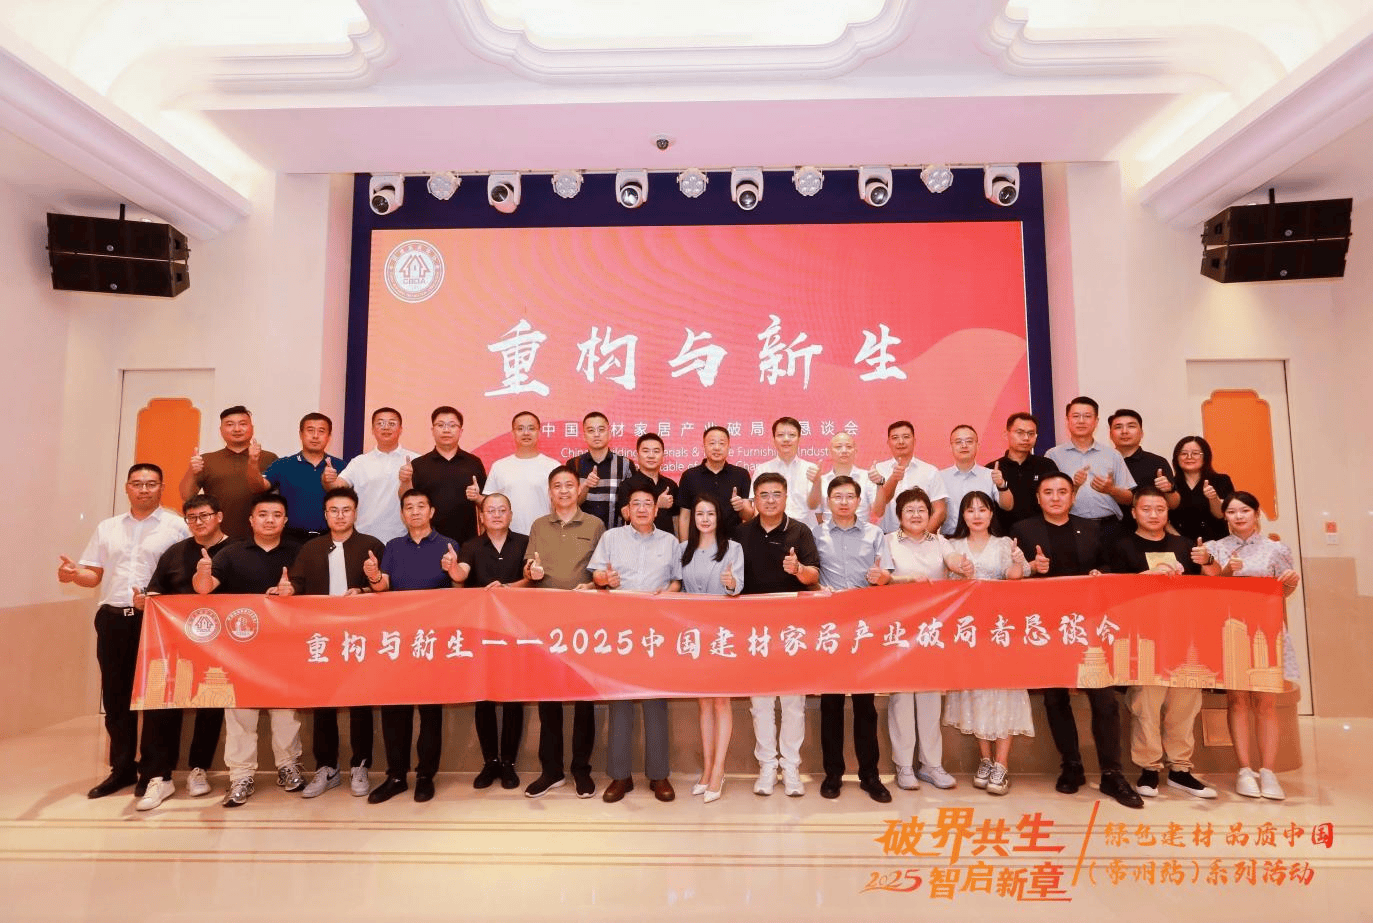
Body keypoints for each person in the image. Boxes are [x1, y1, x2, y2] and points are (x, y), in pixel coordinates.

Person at [57, 463, 189, 803]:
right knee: (116, 698)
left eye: (151, 484)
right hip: (113, 618)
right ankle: (122, 768)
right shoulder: (108, 527)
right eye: (137, 483)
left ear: (162, 488)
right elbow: (94, 575)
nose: (144, 489)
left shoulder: (176, 526)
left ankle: (155, 770)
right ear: (127, 487)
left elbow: (185, 576)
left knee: (158, 697)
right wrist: (74, 575)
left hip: (157, 621)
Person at [1012, 472, 1143, 809]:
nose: (1055, 497)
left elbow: (1108, 566)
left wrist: (1101, 574)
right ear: (1038, 498)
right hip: (1048, 628)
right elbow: (1011, 578)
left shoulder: (1093, 528)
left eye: (1062, 492)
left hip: (1089, 626)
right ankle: (1071, 765)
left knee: (1104, 699)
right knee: (1055, 698)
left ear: (1073, 496)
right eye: (1048, 492)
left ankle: (1112, 773)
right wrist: (1031, 567)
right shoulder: (1024, 530)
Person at [192, 494, 305, 808]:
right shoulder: (230, 553)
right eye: (263, 514)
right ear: (251, 520)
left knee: (286, 712)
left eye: (277, 515)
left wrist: (292, 590)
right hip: (240, 651)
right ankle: (241, 776)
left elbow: (311, 589)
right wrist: (203, 572)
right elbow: (204, 588)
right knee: (240, 714)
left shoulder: (299, 551)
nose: (270, 520)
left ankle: (289, 766)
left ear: (285, 520)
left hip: (285, 646)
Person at [1192, 490, 1302, 800]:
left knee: (1266, 703)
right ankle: (1244, 769)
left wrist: (1290, 585)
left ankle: (1268, 771)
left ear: (1256, 513)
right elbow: (1208, 591)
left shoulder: (1276, 549)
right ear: (1224, 516)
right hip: (1231, 631)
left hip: (1266, 631)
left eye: (1244, 510)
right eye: (1231, 512)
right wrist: (1224, 570)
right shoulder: (1215, 548)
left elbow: (1281, 594)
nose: (1238, 516)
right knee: (1237, 701)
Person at [1109, 487, 1216, 799]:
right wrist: (1145, 577)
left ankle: (1181, 769)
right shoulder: (1120, 546)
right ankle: (1149, 768)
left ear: (1168, 513)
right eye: (1146, 509)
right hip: (1143, 639)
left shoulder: (1185, 545)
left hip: (1184, 637)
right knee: (1146, 704)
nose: (1154, 514)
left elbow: (1212, 584)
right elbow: (1112, 592)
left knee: (1184, 705)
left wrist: (1208, 560)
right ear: (1134, 513)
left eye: (1160, 509)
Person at [287, 486, 386, 799]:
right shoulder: (311, 548)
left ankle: (361, 765)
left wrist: (365, 590)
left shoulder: (372, 545)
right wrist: (287, 590)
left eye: (346, 510)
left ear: (355, 513)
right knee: (323, 702)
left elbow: (386, 587)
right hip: (322, 637)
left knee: (360, 702)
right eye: (334, 510)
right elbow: (296, 585)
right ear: (325, 514)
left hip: (360, 637)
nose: (340, 516)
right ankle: (326, 767)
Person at [364, 489, 461, 804]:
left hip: (432, 641)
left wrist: (454, 572)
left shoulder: (449, 545)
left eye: (421, 506)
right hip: (398, 640)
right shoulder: (393, 546)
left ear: (431, 511)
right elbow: (383, 586)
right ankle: (395, 776)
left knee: (430, 713)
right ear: (402, 514)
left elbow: (459, 587)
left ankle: (425, 776)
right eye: (409, 507)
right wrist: (374, 577)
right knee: (394, 711)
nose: (415, 511)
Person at [133, 494, 230, 808]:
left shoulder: (236, 550)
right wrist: (144, 601)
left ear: (219, 516)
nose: (198, 522)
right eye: (192, 518)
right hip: (174, 646)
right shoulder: (174, 552)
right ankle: (158, 776)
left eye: (205, 515)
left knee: (211, 704)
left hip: (222, 648)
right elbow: (156, 592)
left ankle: (199, 769)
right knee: (162, 703)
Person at [591, 486, 680, 804]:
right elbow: (597, 575)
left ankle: (659, 774)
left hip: (656, 631)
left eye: (648, 504)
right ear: (627, 510)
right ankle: (619, 776)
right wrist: (605, 580)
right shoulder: (611, 537)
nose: (642, 509)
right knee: (620, 702)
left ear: (657, 510)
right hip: (620, 629)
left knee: (656, 702)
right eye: (636, 504)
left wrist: (667, 593)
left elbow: (677, 581)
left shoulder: (670, 542)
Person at [522, 466, 606, 798]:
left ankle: (581, 770)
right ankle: (551, 771)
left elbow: (602, 571)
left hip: (583, 621)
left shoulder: (595, 524)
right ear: (550, 492)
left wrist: (593, 585)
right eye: (557, 486)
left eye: (569, 485)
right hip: (546, 621)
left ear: (578, 489)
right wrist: (532, 571)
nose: (564, 491)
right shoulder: (539, 525)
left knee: (584, 698)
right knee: (548, 698)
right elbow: (528, 567)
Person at [942, 491, 1031, 795]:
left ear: (992, 513)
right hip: (969, 632)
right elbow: (946, 586)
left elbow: (1014, 576)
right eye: (970, 510)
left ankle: (1002, 764)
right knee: (977, 692)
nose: (977, 515)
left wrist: (1017, 563)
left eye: (982, 509)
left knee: (1004, 692)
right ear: (963, 515)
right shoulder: (953, 546)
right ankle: (985, 760)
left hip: (1001, 630)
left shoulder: (1005, 544)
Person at [738, 472, 821, 797]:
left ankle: (791, 767)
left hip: (792, 630)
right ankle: (767, 767)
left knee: (793, 703)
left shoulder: (800, 531)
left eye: (776, 494)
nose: (770, 500)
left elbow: (814, 575)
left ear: (786, 497)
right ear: (754, 499)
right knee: (760, 703)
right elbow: (732, 580)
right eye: (764, 494)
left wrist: (798, 570)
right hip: (754, 630)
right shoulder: (741, 533)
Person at [811, 476, 892, 803]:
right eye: (837, 496)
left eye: (849, 497)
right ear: (828, 501)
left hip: (863, 629)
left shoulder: (874, 534)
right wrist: (818, 588)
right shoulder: (816, 534)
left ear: (859, 501)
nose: (844, 502)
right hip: (830, 629)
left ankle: (870, 775)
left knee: (865, 705)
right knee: (830, 704)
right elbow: (809, 576)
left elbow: (887, 574)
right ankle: (832, 773)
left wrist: (881, 577)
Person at [453, 493, 529, 790]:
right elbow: (461, 575)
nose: (496, 515)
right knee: (483, 696)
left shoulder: (524, 542)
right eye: (490, 510)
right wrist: (453, 571)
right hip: (481, 631)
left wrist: (510, 587)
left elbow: (533, 578)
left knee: (512, 697)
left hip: (516, 632)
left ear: (511, 514)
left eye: (502, 510)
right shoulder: (470, 546)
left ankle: (508, 762)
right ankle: (490, 762)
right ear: (481, 516)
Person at [671, 496, 744, 803]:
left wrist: (730, 583)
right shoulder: (682, 549)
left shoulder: (733, 548)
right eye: (699, 513)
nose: (704, 518)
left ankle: (719, 770)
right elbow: (677, 586)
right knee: (703, 703)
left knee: (721, 701)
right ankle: (707, 769)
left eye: (710, 513)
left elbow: (737, 587)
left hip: (723, 634)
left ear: (718, 517)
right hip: (694, 635)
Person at [883, 488, 956, 791]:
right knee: (901, 697)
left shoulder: (940, 541)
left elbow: (954, 561)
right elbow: (881, 579)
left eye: (921, 510)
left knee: (929, 696)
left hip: (932, 630)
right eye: (909, 510)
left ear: (930, 514)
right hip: (899, 629)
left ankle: (931, 764)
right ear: (899, 515)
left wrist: (962, 565)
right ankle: (903, 765)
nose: (916, 515)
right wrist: (908, 580)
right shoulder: (888, 541)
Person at [180, 405, 278, 540]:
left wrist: (253, 461)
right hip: (219, 537)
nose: (237, 429)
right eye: (230, 424)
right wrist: (192, 471)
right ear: (221, 430)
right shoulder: (207, 460)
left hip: (261, 537)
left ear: (252, 428)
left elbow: (277, 498)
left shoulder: (269, 458)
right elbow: (187, 496)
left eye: (242, 424)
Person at [1044, 397, 1134, 537]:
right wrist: (1074, 486)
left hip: (1109, 526)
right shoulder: (1053, 455)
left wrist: (1111, 489)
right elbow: (1046, 497)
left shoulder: (1113, 455)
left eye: (1087, 416)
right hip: (1070, 525)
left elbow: (1129, 498)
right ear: (1067, 420)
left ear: (1096, 421)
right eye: (1076, 416)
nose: (1081, 421)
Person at [327, 407, 417, 544]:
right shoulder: (359, 462)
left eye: (392, 423)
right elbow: (337, 486)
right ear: (372, 430)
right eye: (380, 423)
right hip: (364, 537)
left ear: (401, 429)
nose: (386, 427)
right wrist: (328, 479)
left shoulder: (415, 460)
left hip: (404, 538)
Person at [401, 406, 486, 547]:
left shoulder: (474, 463)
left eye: (452, 425)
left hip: (467, 543)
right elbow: (405, 500)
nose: (446, 430)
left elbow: (487, 504)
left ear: (461, 431)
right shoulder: (419, 464)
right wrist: (405, 481)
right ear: (432, 430)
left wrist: (477, 497)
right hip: (427, 541)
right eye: (440, 425)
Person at [255, 412, 342, 543]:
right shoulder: (283, 464)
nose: (315, 436)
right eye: (310, 430)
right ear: (301, 434)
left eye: (321, 431)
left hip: (330, 538)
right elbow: (259, 486)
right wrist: (252, 462)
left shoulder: (341, 466)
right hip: (290, 539)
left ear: (329, 436)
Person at [484, 411, 559, 536]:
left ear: (539, 432)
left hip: (544, 536)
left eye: (531, 428)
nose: (526, 433)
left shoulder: (553, 466)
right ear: (513, 433)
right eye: (520, 429)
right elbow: (489, 504)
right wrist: (476, 497)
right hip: (507, 538)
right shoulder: (499, 466)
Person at [677, 425, 755, 540]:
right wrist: (683, 546)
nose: (717, 448)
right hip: (699, 543)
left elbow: (748, 516)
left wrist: (741, 507)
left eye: (722, 443)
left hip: (732, 542)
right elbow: (685, 516)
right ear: (703, 446)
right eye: (712, 443)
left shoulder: (741, 474)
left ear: (729, 447)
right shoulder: (689, 476)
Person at [873, 420, 949, 535]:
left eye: (906, 437)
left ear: (914, 441)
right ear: (888, 442)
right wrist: (893, 478)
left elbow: (940, 511)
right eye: (895, 438)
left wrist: (922, 537)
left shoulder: (930, 471)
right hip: (887, 537)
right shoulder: (878, 470)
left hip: (922, 539)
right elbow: (877, 510)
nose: (901, 441)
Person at [990, 412, 1059, 535]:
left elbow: (1056, 499)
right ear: (1006, 434)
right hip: (1003, 536)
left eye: (1031, 433)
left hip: (1042, 533)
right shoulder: (992, 469)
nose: (1026, 438)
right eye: (1020, 433)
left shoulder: (1047, 466)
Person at [938, 424, 1011, 536]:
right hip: (950, 539)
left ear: (978, 445)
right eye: (958, 442)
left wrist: (1001, 485)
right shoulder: (940, 477)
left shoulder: (990, 475)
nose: (964, 445)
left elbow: (1008, 506)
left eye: (969, 441)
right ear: (950, 447)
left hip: (983, 539)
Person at [1108, 409, 1179, 521]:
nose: (1124, 431)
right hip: (1107, 528)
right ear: (1110, 434)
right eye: (1118, 427)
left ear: (1141, 433)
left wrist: (1168, 490)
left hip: (1146, 527)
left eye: (1131, 426)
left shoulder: (1157, 462)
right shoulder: (1101, 461)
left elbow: (1174, 505)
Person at [572, 411, 637, 529]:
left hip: (616, 534)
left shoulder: (625, 465)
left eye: (601, 430)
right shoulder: (574, 465)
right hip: (580, 535)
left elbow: (634, 503)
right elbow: (569, 505)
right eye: (591, 430)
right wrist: (585, 485)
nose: (596, 434)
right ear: (584, 436)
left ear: (609, 433)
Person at [754, 416, 821, 528]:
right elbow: (757, 506)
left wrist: (817, 483)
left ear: (799, 439)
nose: (786, 439)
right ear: (773, 439)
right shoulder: (762, 469)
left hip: (805, 529)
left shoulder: (811, 469)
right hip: (772, 530)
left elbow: (814, 506)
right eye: (780, 435)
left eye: (792, 435)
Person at [1168, 436, 1234, 543]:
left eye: (1195, 453)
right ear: (1176, 458)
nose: (1189, 457)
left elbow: (1222, 515)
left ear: (1206, 457)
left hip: (1217, 544)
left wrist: (1213, 498)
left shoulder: (1221, 480)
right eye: (1183, 453)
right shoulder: (1169, 485)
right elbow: (1164, 520)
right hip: (1179, 544)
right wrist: (1182, 543)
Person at [615, 433, 678, 535]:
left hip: (666, 542)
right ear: (637, 456)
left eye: (656, 451)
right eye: (646, 451)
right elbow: (626, 515)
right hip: (636, 541)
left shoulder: (671, 485)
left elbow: (677, 519)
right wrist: (657, 504)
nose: (651, 456)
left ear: (663, 457)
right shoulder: (627, 485)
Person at [816, 432, 879, 526]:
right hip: (829, 533)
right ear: (829, 452)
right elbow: (817, 515)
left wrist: (879, 484)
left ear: (855, 452)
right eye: (838, 447)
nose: (844, 451)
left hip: (862, 532)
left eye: (849, 447)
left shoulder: (867, 478)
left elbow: (878, 510)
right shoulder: (821, 481)